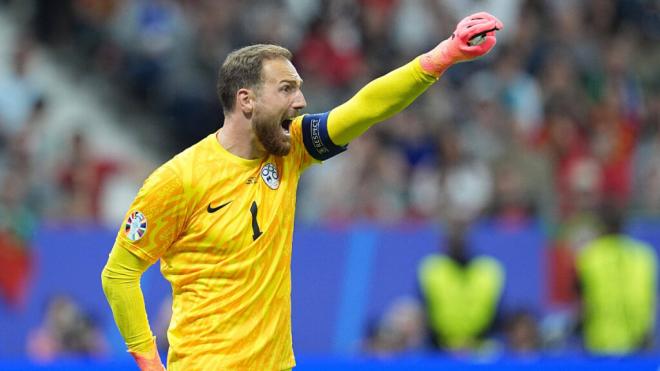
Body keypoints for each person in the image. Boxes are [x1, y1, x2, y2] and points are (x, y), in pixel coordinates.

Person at [101, 12, 503, 370]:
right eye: (287, 89)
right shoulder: (178, 180)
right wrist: (150, 363)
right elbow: (119, 274)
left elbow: (364, 108)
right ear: (247, 100)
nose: (301, 101)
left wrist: (442, 56)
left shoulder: (289, 150)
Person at [576, 204, 657, 355]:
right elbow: (651, 301)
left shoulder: (589, 256)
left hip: (600, 345)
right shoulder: (645, 256)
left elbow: (583, 304)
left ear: (600, 226)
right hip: (638, 344)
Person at [417, 223, 505, 352]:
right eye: (452, 237)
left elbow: (498, 312)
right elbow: (425, 309)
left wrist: (472, 342)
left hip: (482, 347)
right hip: (439, 347)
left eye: (461, 237)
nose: (457, 242)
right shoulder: (431, 268)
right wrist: (444, 343)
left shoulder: (488, 269)